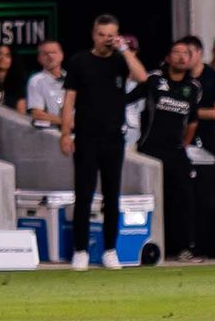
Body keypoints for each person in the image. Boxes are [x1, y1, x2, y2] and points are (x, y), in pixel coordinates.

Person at [60, 14, 149, 271]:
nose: (106, 39)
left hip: (113, 138)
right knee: (84, 195)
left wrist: (124, 50)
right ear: (93, 34)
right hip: (87, 137)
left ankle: (110, 249)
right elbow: (69, 101)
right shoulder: (80, 62)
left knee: (112, 196)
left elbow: (142, 77)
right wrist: (66, 133)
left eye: (111, 34)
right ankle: (81, 251)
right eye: (102, 34)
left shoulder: (121, 61)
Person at [128, 40, 203, 262]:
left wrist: (184, 145)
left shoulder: (194, 87)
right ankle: (147, 246)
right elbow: (128, 101)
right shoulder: (154, 80)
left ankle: (184, 248)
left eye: (185, 54)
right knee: (151, 197)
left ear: (190, 59)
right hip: (149, 149)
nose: (181, 57)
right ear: (168, 57)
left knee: (184, 197)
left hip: (176, 150)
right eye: (176, 53)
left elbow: (192, 121)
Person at [181, 36, 215, 154]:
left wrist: (188, 112)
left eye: (189, 53)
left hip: (206, 139)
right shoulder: (180, 77)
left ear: (199, 52)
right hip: (181, 137)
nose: (185, 58)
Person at [26, 40, 67, 127]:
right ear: (39, 59)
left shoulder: (72, 77)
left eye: (53, 52)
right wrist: (65, 122)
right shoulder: (36, 81)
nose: (50, 56)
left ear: (62, 55)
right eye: (45, 54)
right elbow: (37, 114)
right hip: (52, 133)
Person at [0, 44, 28, 113]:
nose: (2, 58)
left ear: (12, 59)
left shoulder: (19, 82)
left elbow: (21, 112)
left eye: (7, 56)